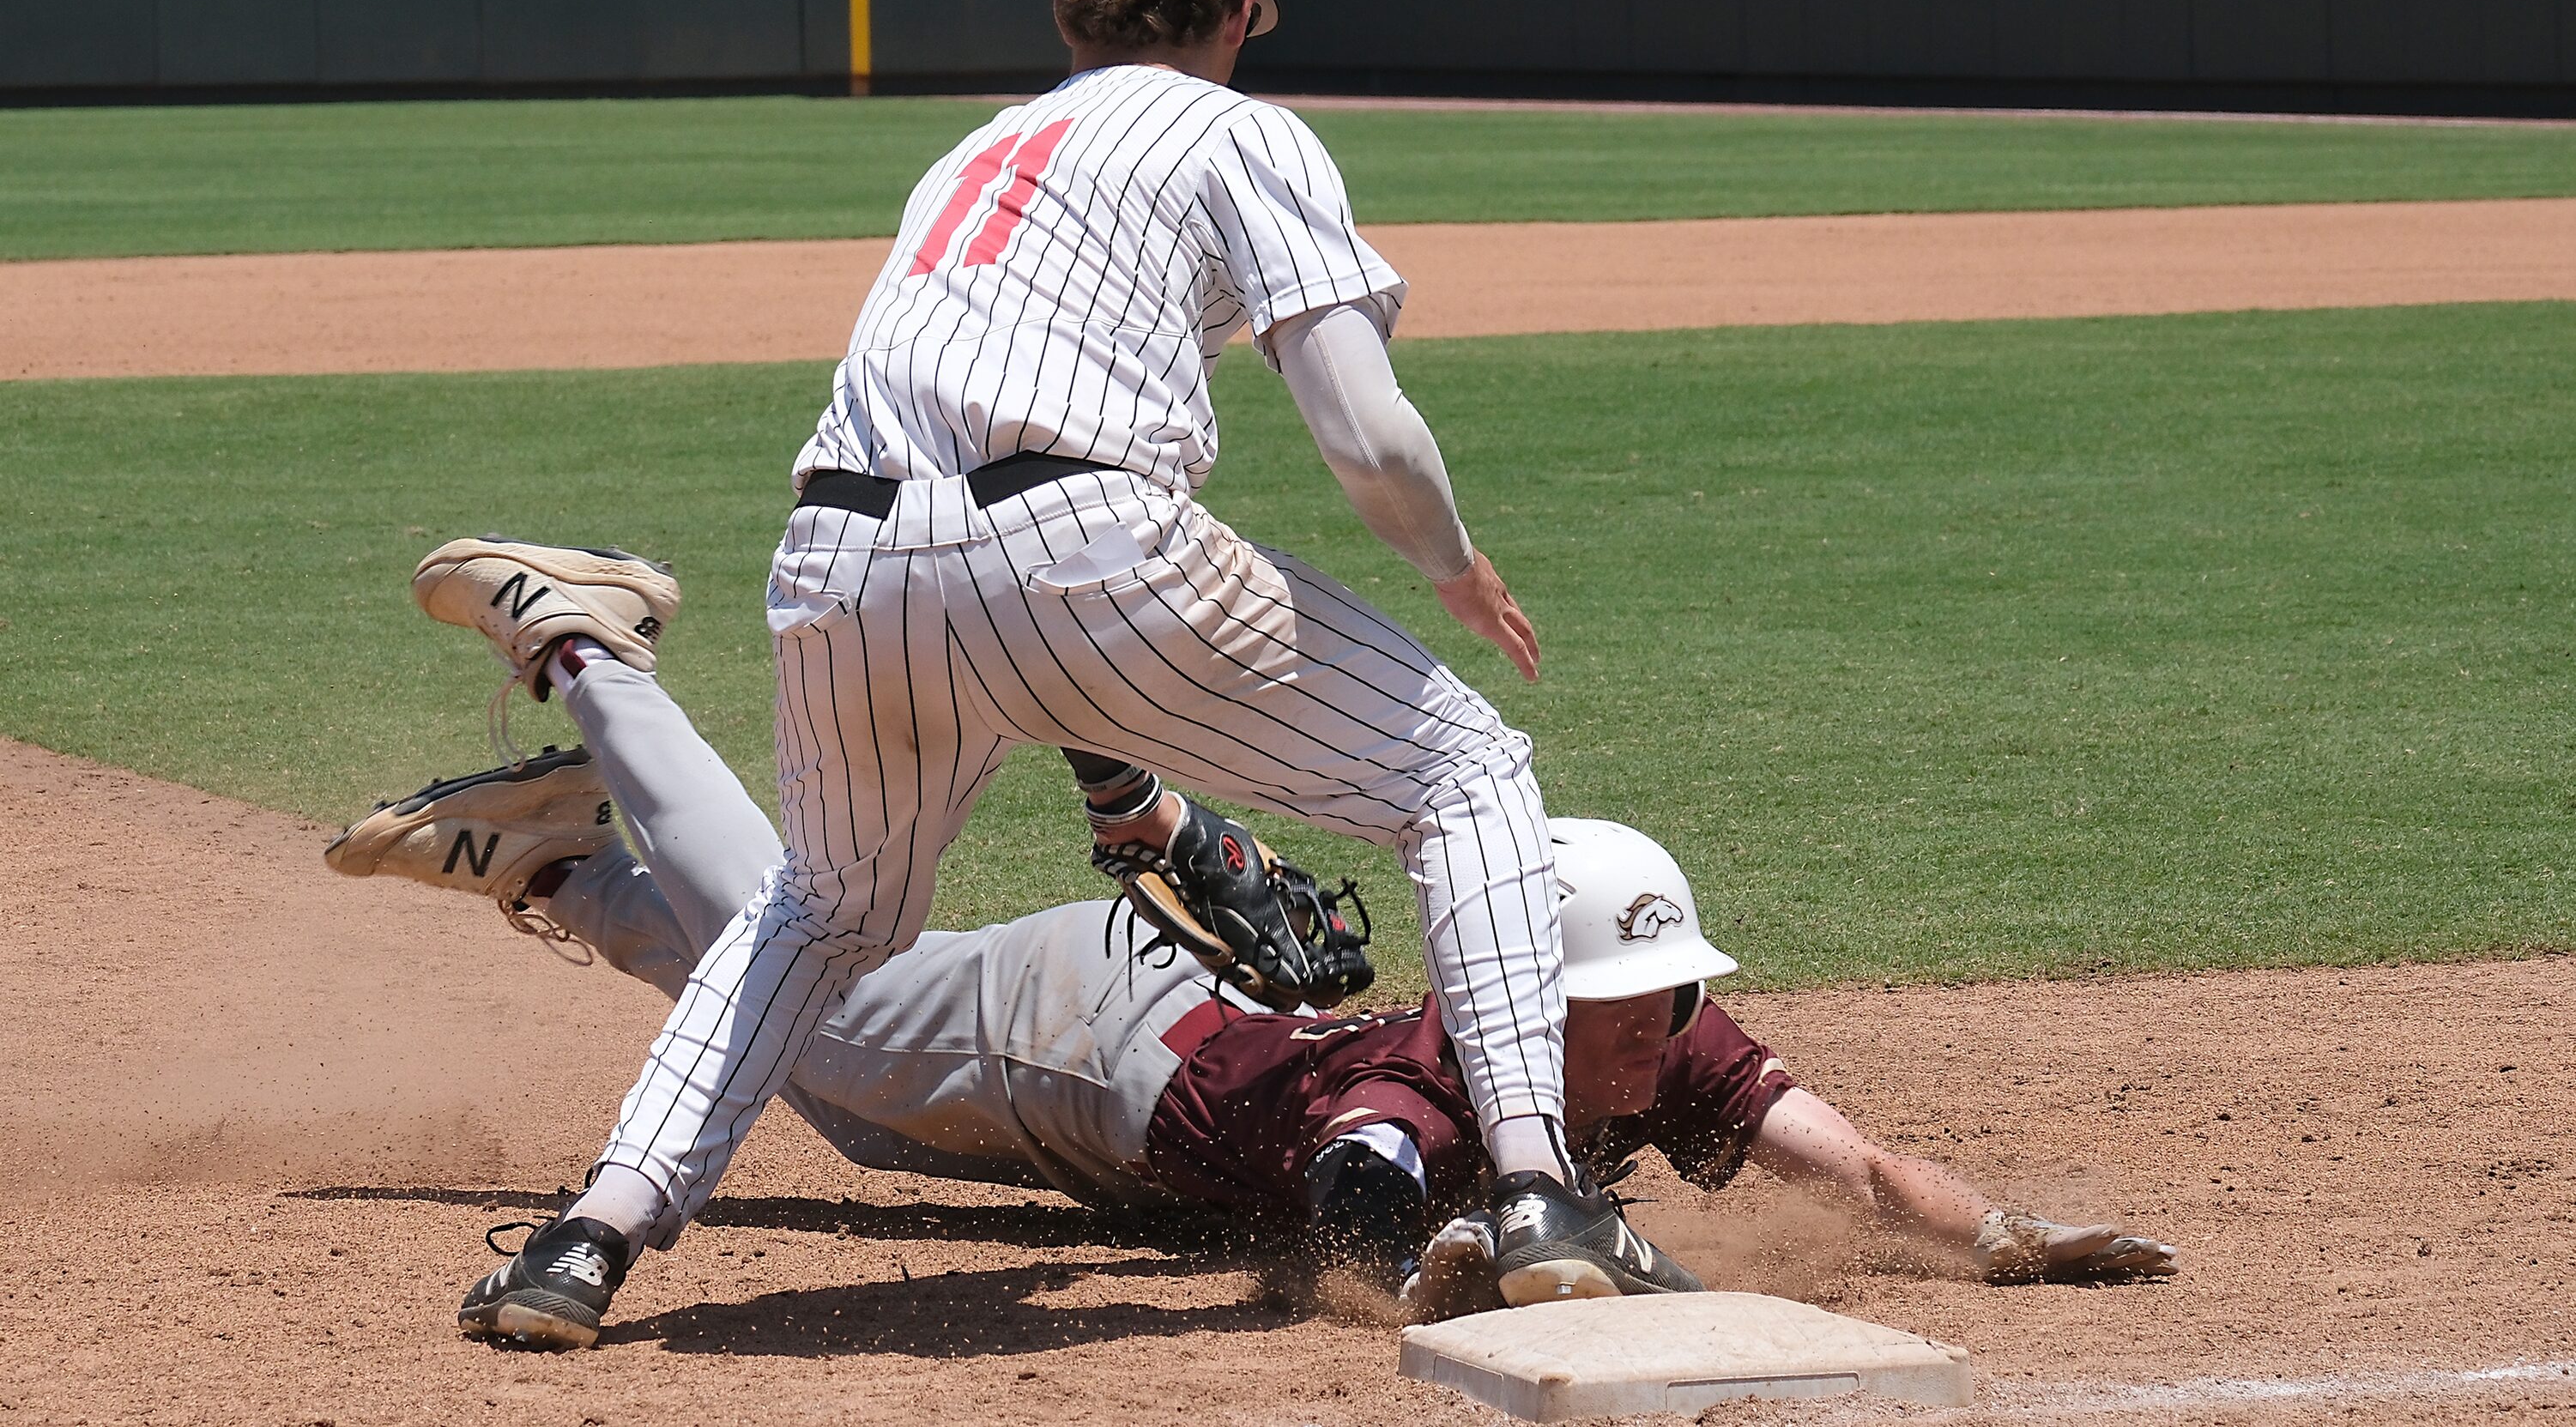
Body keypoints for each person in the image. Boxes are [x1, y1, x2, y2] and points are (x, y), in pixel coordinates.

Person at [404, 0, 1627, 1347]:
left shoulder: (975, 154)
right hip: (1089, 545)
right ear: (1245, 9)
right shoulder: (1241, 132)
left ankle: (586, 1240)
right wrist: (1453, 566)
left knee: (821, 910)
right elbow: (1364, 432)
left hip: (839, 563)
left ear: (1063, 6)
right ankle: (1540, 1195)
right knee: (1467, 773)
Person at [327, 649, 2175, 1340]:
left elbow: (1851, 1167)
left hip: (1137, 1071)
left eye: (1667, 991)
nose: (1663, 1021)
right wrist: (1455, 1259)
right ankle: (599, 662)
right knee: (822, 1028)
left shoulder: (1657, 1029)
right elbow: (1367, 1200)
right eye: (1636, 991)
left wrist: (2001, 1234)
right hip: (1093, 1037)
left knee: (827, 1057)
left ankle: (565, 859)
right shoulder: (1461, 1075)